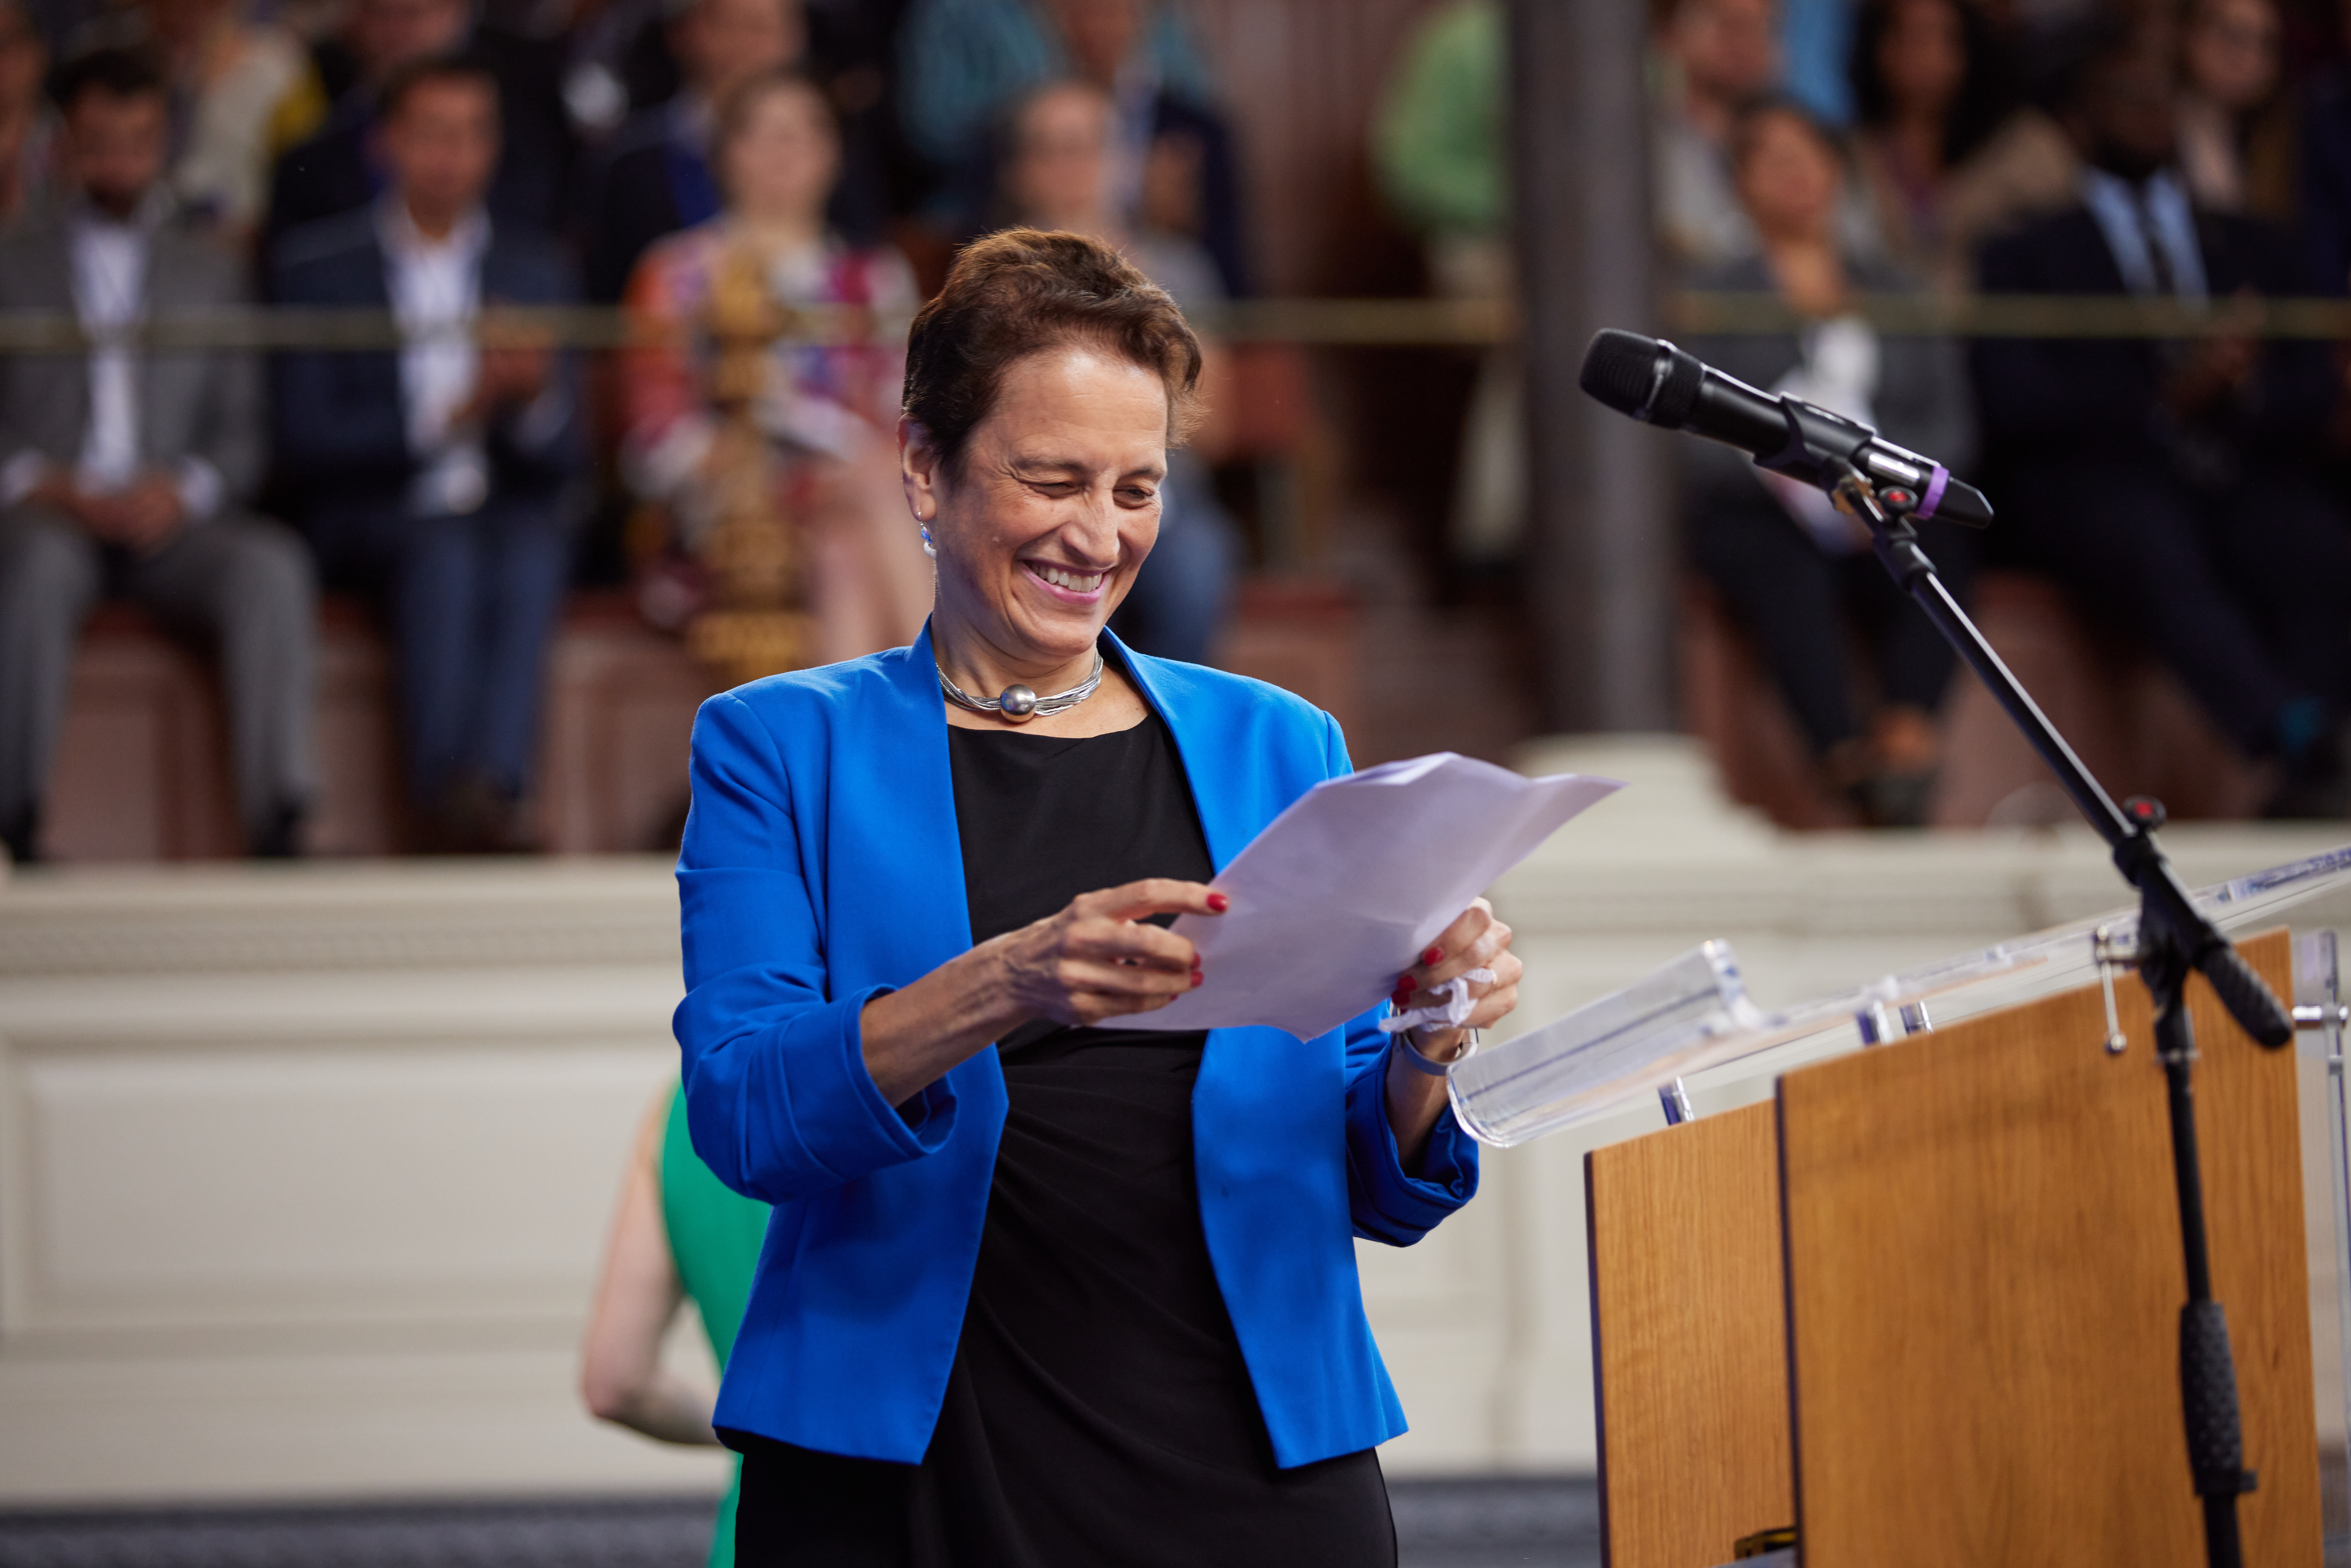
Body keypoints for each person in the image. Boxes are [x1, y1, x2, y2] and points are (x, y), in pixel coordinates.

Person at [677, 227, 1515, 1563]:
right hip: (912, 1467)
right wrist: (1009, 980)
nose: (1098, 531)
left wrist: (1427, 1040)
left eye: (1137, 486)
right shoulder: (780, 744)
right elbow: (743, 1108)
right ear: (921, 468)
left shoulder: (1279, 744)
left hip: (1249, 1458)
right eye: (1052, 477)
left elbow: (1373, 1174)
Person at [1973, 28, 2351, 816]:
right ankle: (2287, 734)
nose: (2149, 116)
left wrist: (2237, 389)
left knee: (2312, 543)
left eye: (2159, 100)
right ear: (2078, 122)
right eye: (2125, 99)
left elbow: (2310, 391)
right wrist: (2165, 399)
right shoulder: (2027, 251)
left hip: (2237, 468)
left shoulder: (2246, 242)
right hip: (2103, 481)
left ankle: (2328, 748)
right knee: (2151, 542)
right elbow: (2016, 400)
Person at [0, 46, 314, 862]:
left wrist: (184, 490)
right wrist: (43, 482)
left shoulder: (211, 268)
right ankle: (16, 819)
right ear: (62, 141)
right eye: (98, 139)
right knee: (33, 572)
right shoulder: (10, 260)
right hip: (50, 515)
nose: (118, 158)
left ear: (165, 140)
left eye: (137, 139)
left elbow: (246, 427)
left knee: (270, 567)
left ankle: (278, 820)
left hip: (172, 519)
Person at [270, 54, 586, 850]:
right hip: (370, 511)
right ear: (388, 144)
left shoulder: (537, 267)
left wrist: (530, 399)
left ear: (494, 147)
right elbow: (304, 439)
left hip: (500, 504)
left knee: (532, 545)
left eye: (473, 134)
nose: (452, 154)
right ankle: (444, 798)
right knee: (444, 548)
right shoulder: (317, 268)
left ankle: (495, 793)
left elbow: (567, 452)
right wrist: (453, 414)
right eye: (432, 134)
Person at [1684, 98, 1976, 825]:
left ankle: (1908, 743)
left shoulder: (1898, 287)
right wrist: (1790, 480)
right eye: (1773, 162)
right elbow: (1686, 434)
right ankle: (1844, 759)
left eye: (1808, 158)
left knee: (1941, 546)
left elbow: (1949, 420)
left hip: (1880, 495)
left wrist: (1880, 481)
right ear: (1740, 183)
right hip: (1764, 504)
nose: (1796, 177)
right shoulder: (1709, 295)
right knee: (1781, 566)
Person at [619, 69, 930, 660]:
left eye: (804, 134)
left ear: (833, 154)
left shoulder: (875, 276)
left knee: (845, 553)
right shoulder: (676, 271)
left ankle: (866, 752)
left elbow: (907, 410)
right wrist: (740, 465)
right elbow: (653, 430)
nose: (784, 153)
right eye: (764, 135)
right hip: (724, 497)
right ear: (725, 152)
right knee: (876, 488)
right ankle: (959, 717)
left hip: (855, 495)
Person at [996, 78, 1237, 663]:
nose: (1070, 166)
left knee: (1196, 566)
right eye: (1050, 148)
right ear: (1020, 169)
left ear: (1123, 158)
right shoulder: (991, 283)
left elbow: (1220, 428)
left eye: (1089, 145)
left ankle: (1162, 741)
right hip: (1030, 497)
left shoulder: (1181, 268)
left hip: (1162, 500)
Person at [582, 1085, 771, 1568]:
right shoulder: (922, 1090)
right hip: (906, 1531)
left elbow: (616, 1381)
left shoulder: (685, 1107)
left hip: (752, 1536)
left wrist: (755, 1431)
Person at [1373, 0, 1522, 564]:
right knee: (1540, 330)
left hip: (1602, 247)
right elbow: (1405, 167)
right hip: (1483, 239)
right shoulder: (1458, 38)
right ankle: (1494, 538)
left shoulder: (1618, 31)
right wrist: (1514, 205)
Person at [266, 0, 575, 246]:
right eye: (379, 14)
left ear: (458, 12)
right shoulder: (308, 167)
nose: (396, 34)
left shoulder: (529, 141)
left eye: (413, 15)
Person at [573, 0, 803, 303]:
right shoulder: (629, 162)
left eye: (763, 29)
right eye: (728, 26)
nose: (746, 47)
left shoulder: (840, 155)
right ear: (685, 31)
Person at [1845, 0, 2014, 287]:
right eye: (1906, 35)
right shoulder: (1846, 152)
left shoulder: (2017, 150)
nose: (1921, 53)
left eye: (1939, 36)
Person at [2174, 0, 2291, 217]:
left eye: (2265, 44)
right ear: (2188, 32)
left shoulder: (2275, 143)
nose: (2250, 59)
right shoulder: (2152, 127)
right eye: (2233, 37)